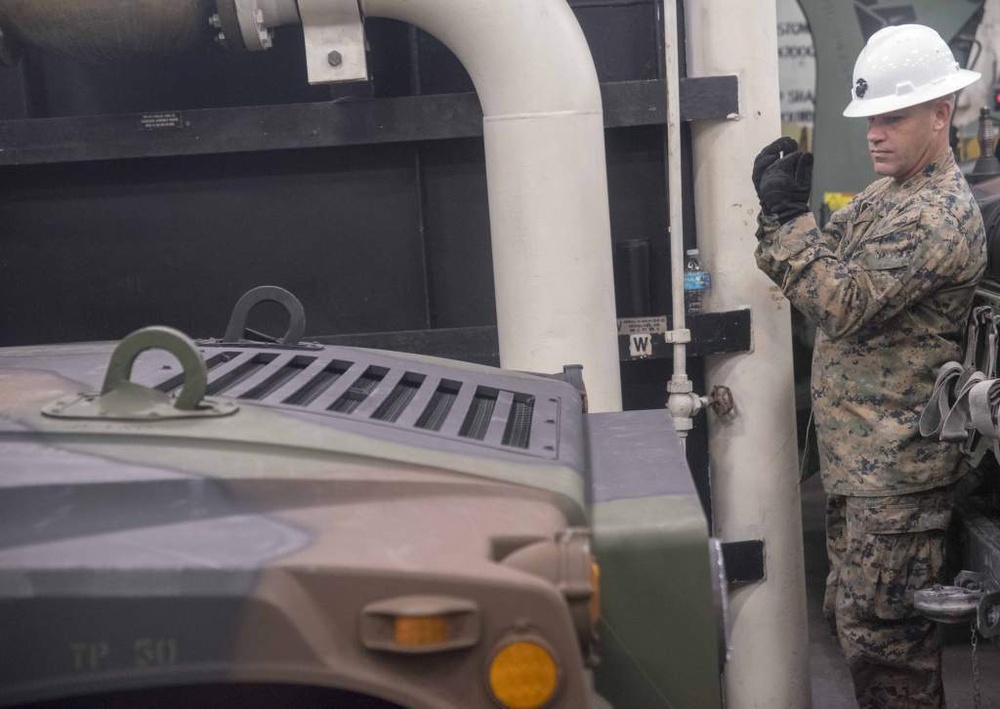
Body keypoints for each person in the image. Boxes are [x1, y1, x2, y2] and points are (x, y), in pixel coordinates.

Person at [752, 24, 986, 708]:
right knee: (861, 632)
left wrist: (784, 220)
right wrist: (782, 221)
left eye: (893, 117)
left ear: (941, 113)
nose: (875, 134)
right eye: (870, 120)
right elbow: (823, 265)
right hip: (865, 470)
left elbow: (840, 301)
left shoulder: (937, 216)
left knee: (892, 656)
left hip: (897, 480)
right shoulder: (891, 197)